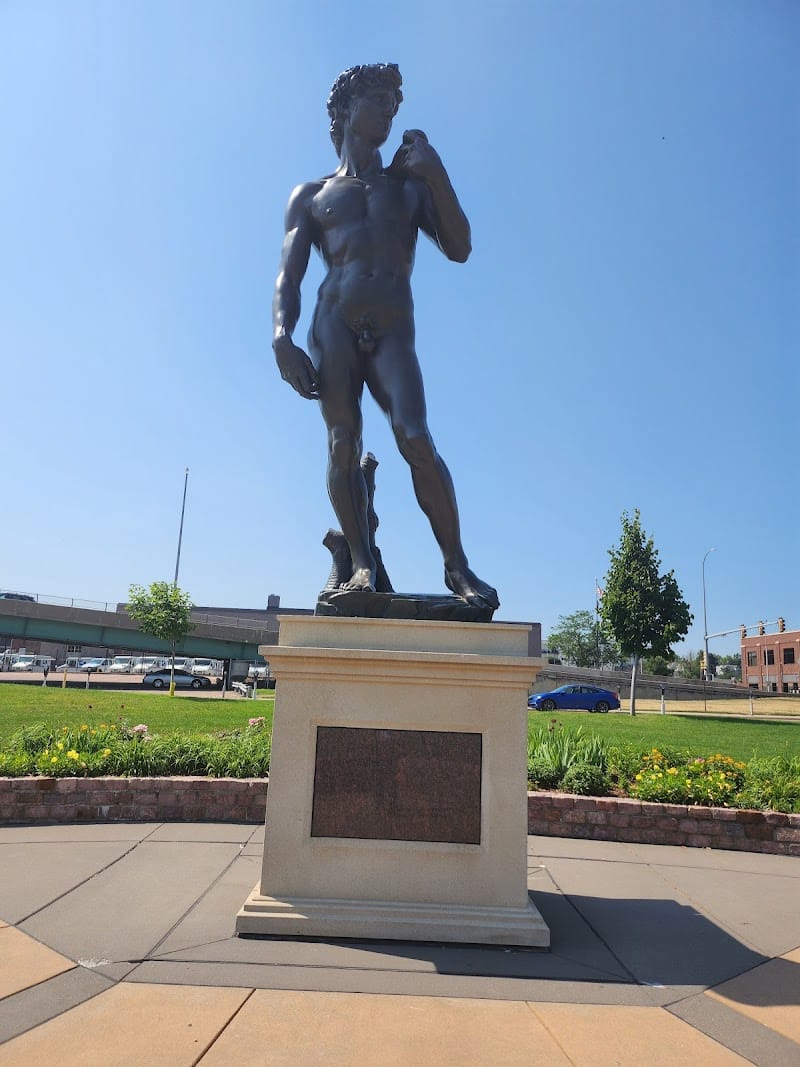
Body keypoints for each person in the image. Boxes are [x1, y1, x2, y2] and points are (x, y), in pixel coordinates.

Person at [272, 63, 498, 612]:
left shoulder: (409, 186)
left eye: (395, 103)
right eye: (380, 99)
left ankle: (458, 567)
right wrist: (282, 336)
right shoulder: (312, 195)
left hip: (394, 327)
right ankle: (362, 563)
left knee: (415, 437)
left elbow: (461, 246)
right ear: (347, 110)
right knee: (343, 443)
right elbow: (290, 274)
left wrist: (437, 173)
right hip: (334, 325)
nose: (391, 111)